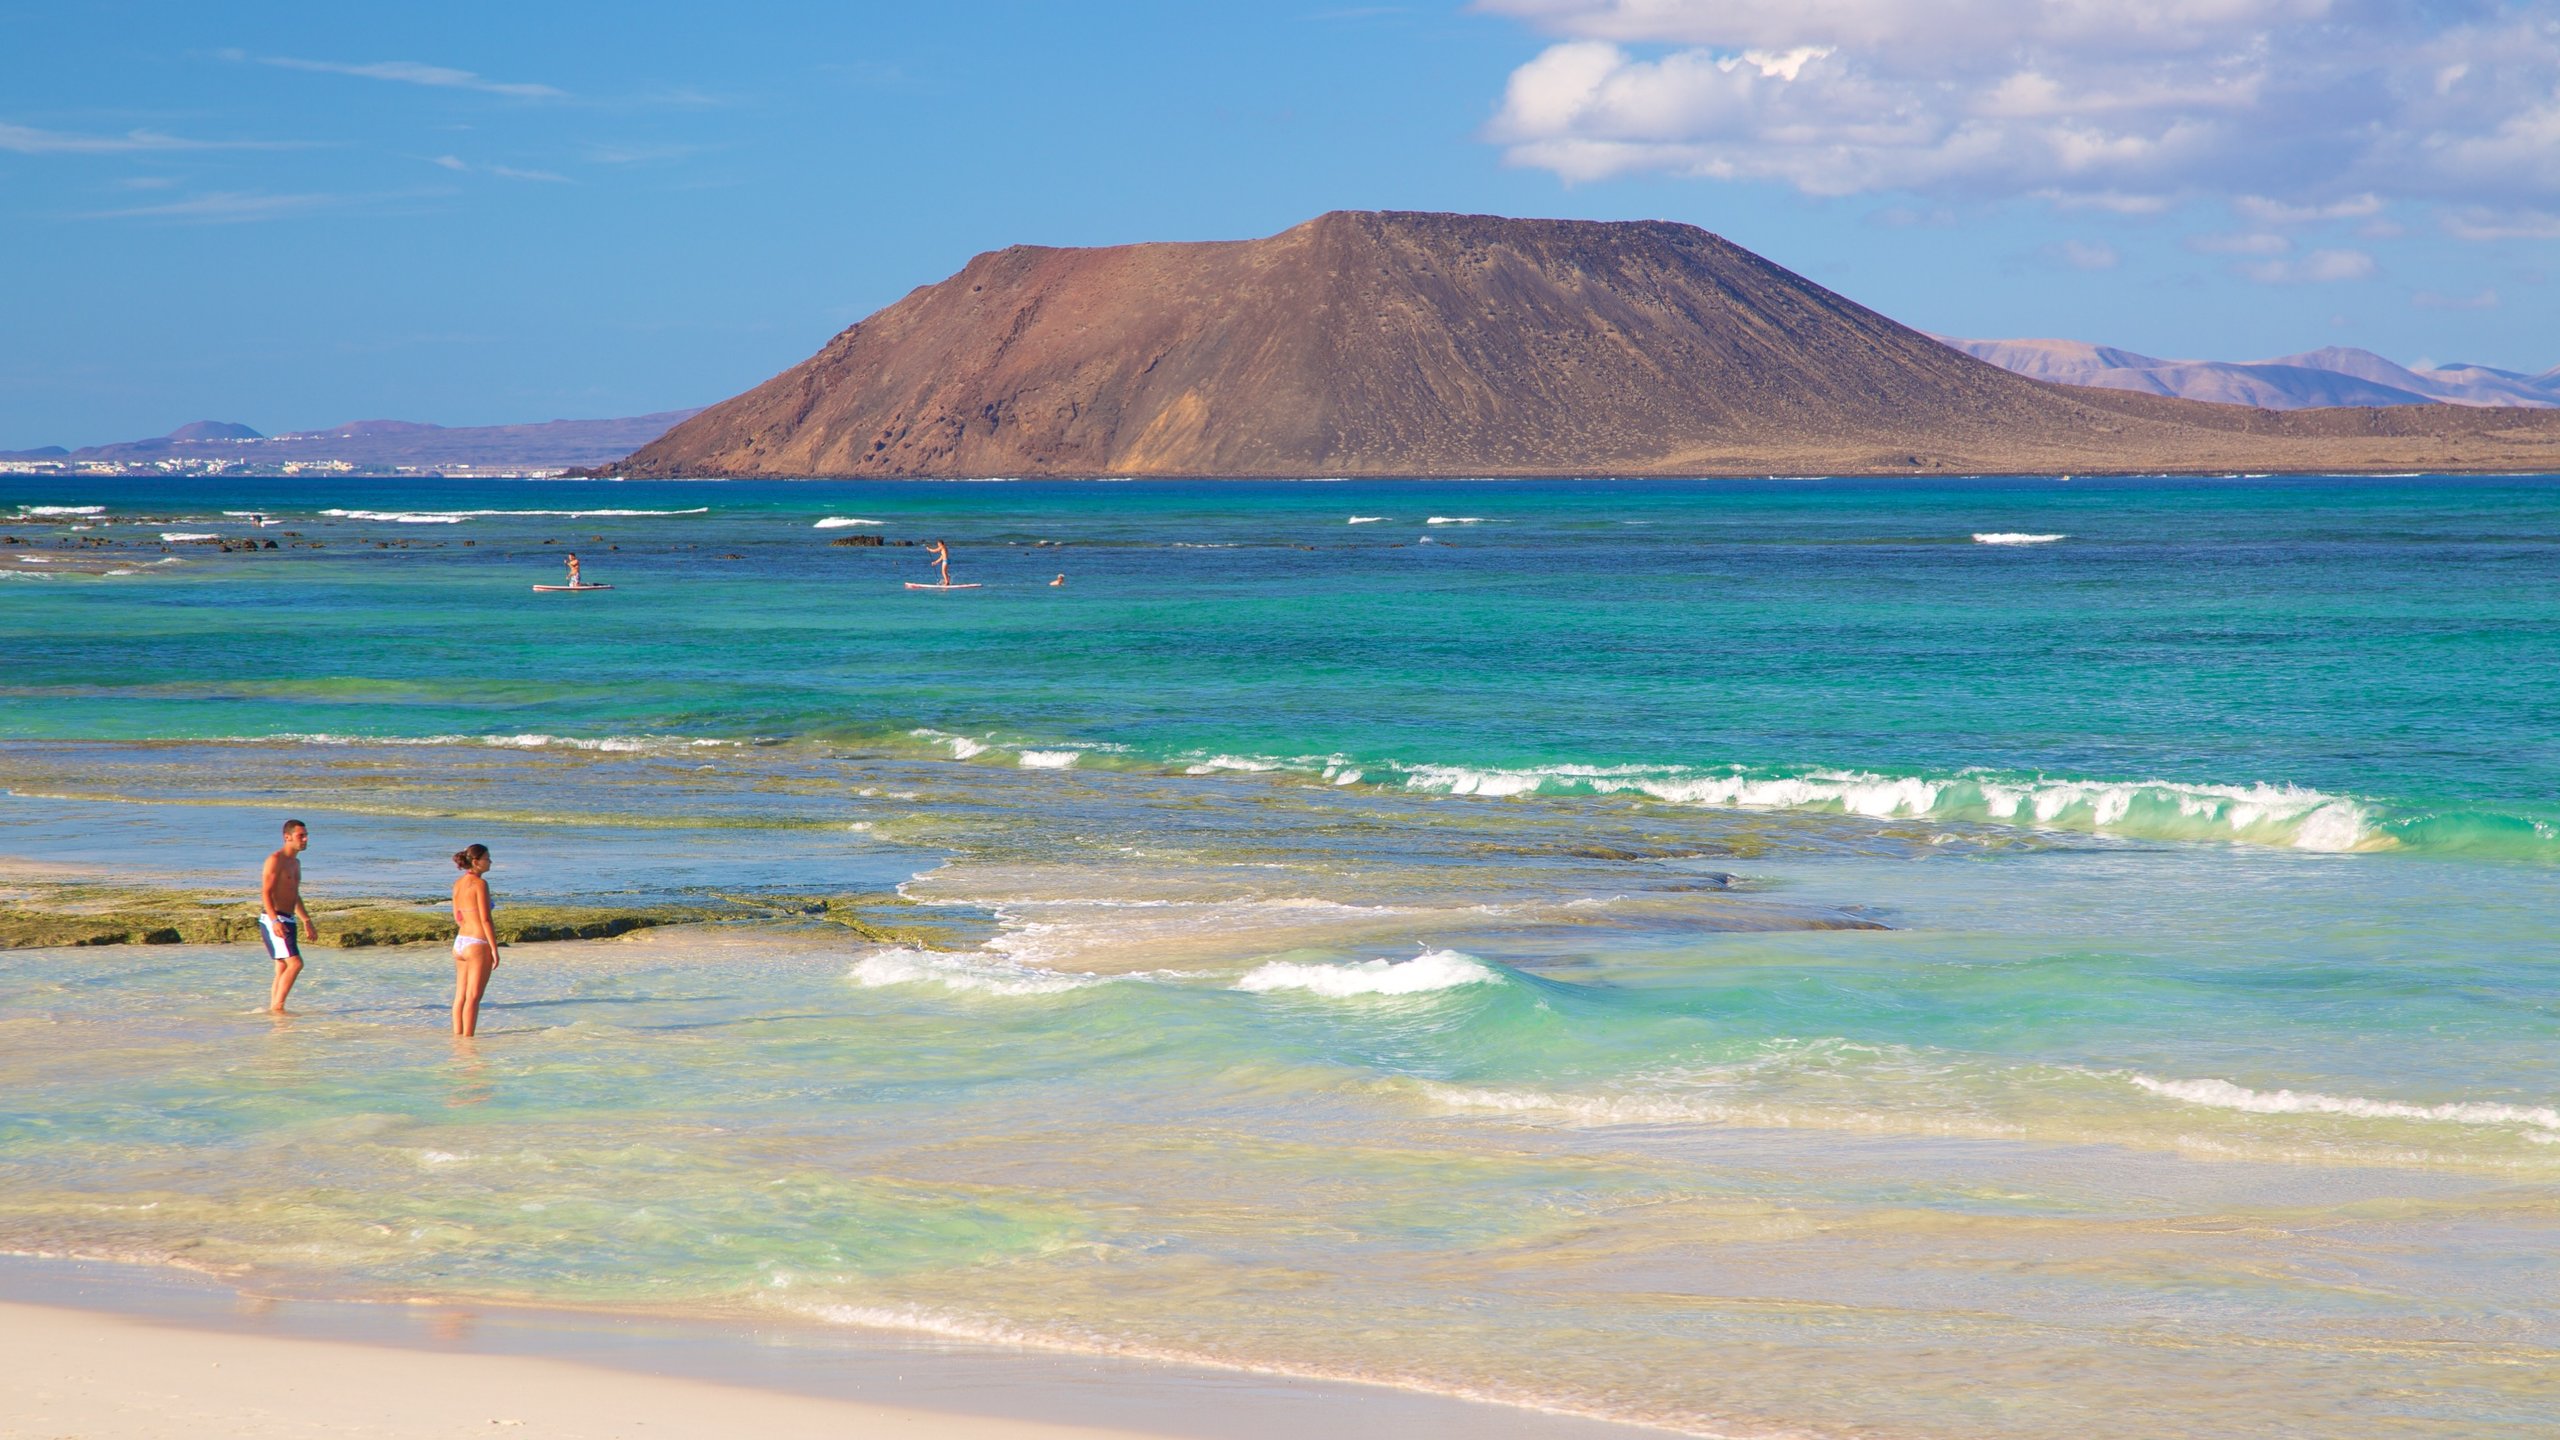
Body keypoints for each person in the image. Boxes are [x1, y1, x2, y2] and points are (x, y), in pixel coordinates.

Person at [259, 819, 318, 1013]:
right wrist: (274, 920)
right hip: (275, 919)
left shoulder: (296, 863)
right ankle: (278, 1008)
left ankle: (274, 1008)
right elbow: (265, 893)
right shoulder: (275, 860)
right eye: (301, 836)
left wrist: (306, 921)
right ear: (287, 837)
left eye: (306, 835)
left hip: (289, 918)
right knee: (295, 963)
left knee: (282, 967)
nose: (305, 839)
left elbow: (294, 895)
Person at [450, 843, 501, 1037]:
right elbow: (486, 919)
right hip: (477, 943)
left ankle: (458, 1040)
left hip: (460, 942)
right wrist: (494, 949)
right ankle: (468, 1043)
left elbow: (458, 917)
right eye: (487, 858)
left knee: (460, 997)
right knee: (473, 997)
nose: (490, 862)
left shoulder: (458, 883)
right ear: (476, 861)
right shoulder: (480, 884)